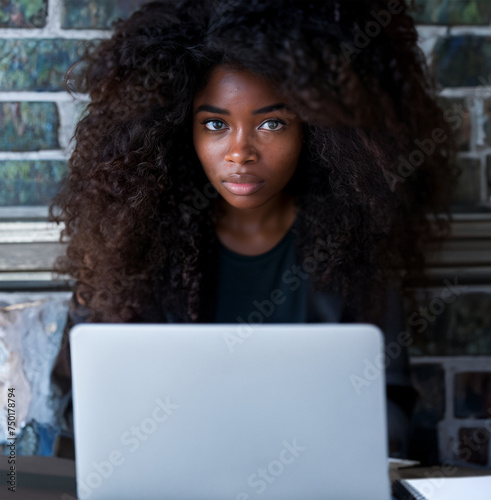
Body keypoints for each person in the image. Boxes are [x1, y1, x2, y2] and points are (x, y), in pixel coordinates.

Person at [49, 0, 458, 458]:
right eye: (215, 124)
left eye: (271, 123)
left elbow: (391, 403)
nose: (240, 152)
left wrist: (337, 456)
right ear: (181, 132)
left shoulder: (359, 251)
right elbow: (79, 409)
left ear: (320, 131)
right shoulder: (130, 250)